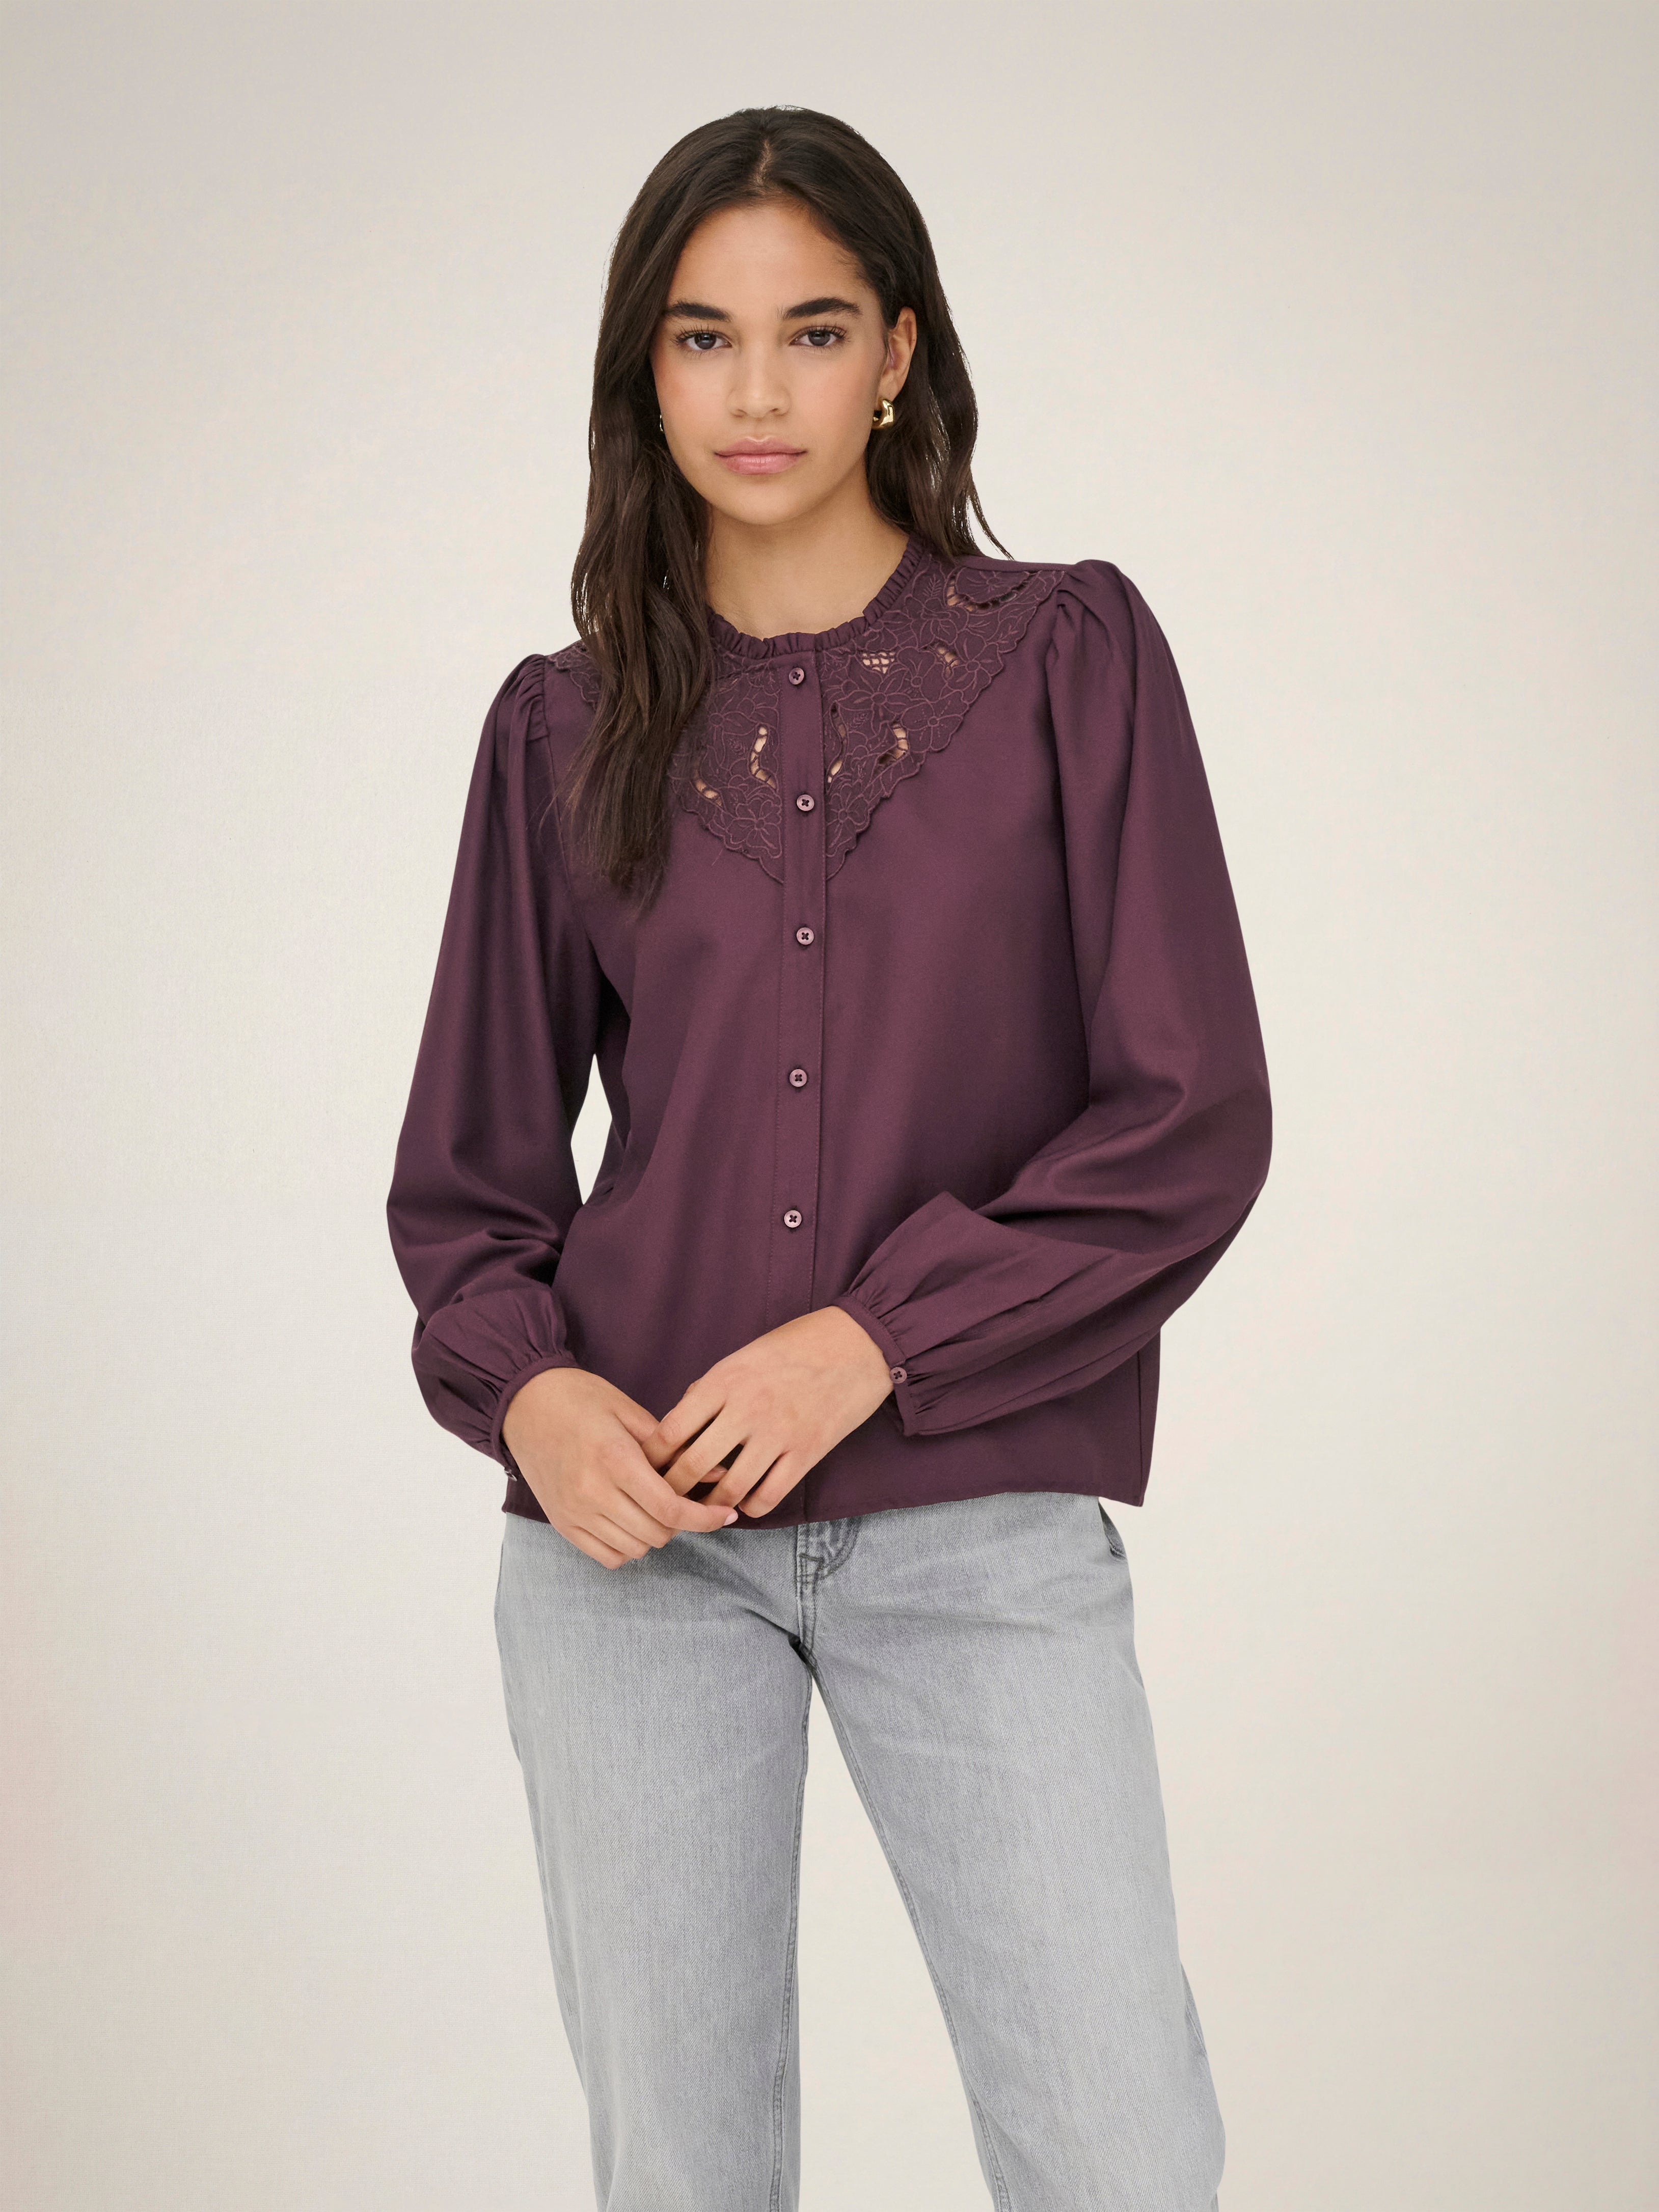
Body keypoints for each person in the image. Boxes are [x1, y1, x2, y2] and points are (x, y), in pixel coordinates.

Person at [386, 104, 1270, 2212]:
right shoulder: (557, 728)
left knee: (1118, 2153)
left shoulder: (1067, 659)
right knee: (680, 2174)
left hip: (979, 1524)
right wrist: (534, 1394)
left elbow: (1186, 1116)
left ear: (895, 354)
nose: (756, 390)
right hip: (628, 1548)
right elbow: (469, 1186)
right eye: (702, 337)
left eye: (809, 330)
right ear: (646, 370)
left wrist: (869, 1341)